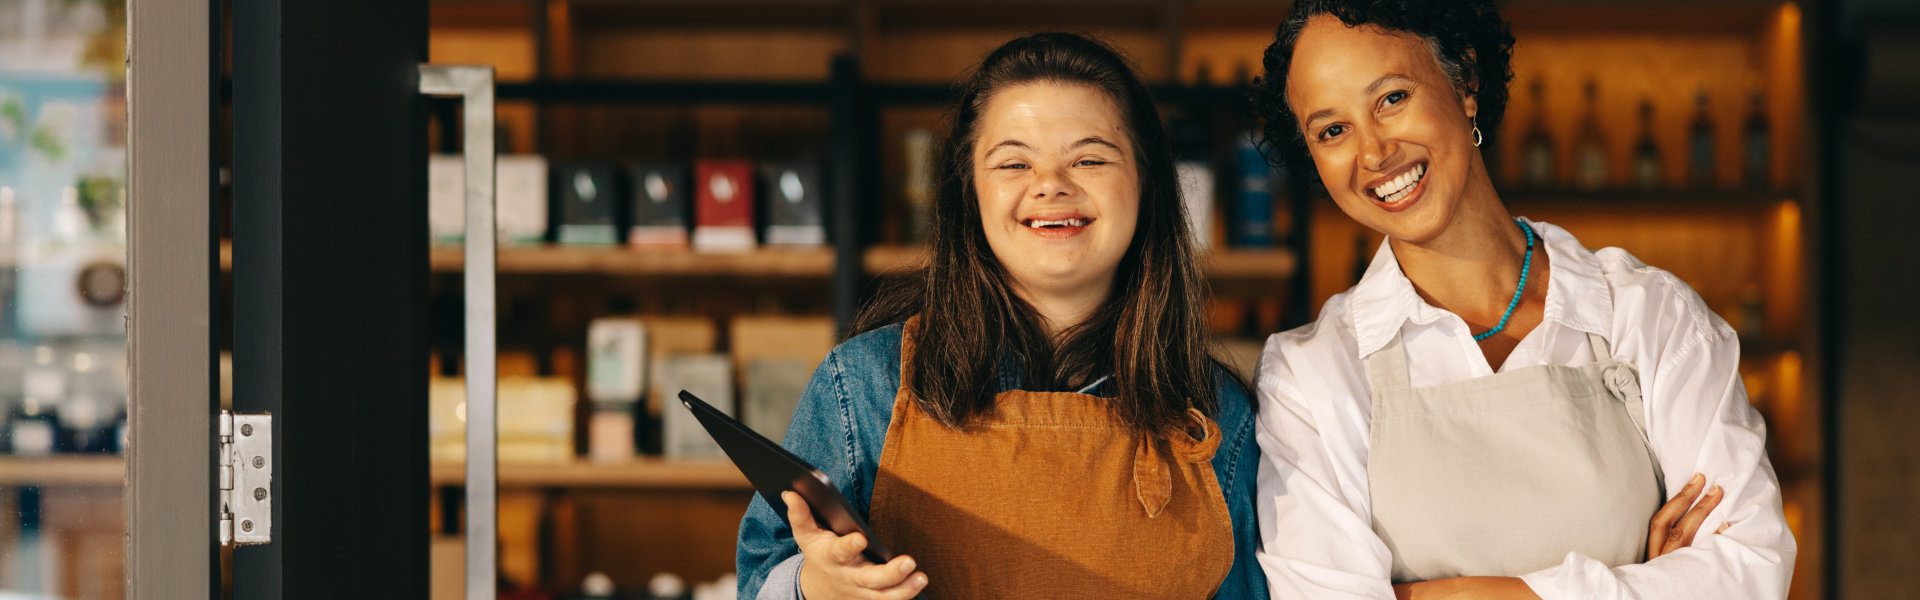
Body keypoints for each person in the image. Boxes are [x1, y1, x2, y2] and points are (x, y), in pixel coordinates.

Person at [1246, 1, 1796, 598]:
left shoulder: (1653, 317)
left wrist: (1446, 594)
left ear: (1465, 83)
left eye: (1392, 99)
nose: (1374, 154)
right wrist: (1640, 582)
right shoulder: (1310, 376)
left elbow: (1750, 569)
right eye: (1332, 131)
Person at [736, 32, 1268, 599]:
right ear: (970, 192)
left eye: (1088, 158)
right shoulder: (864, 384)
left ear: (1146, 182)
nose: (1051, 186)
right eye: (1014, 163)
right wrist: (815, 585)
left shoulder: (1215, 412)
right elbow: (762, 574)